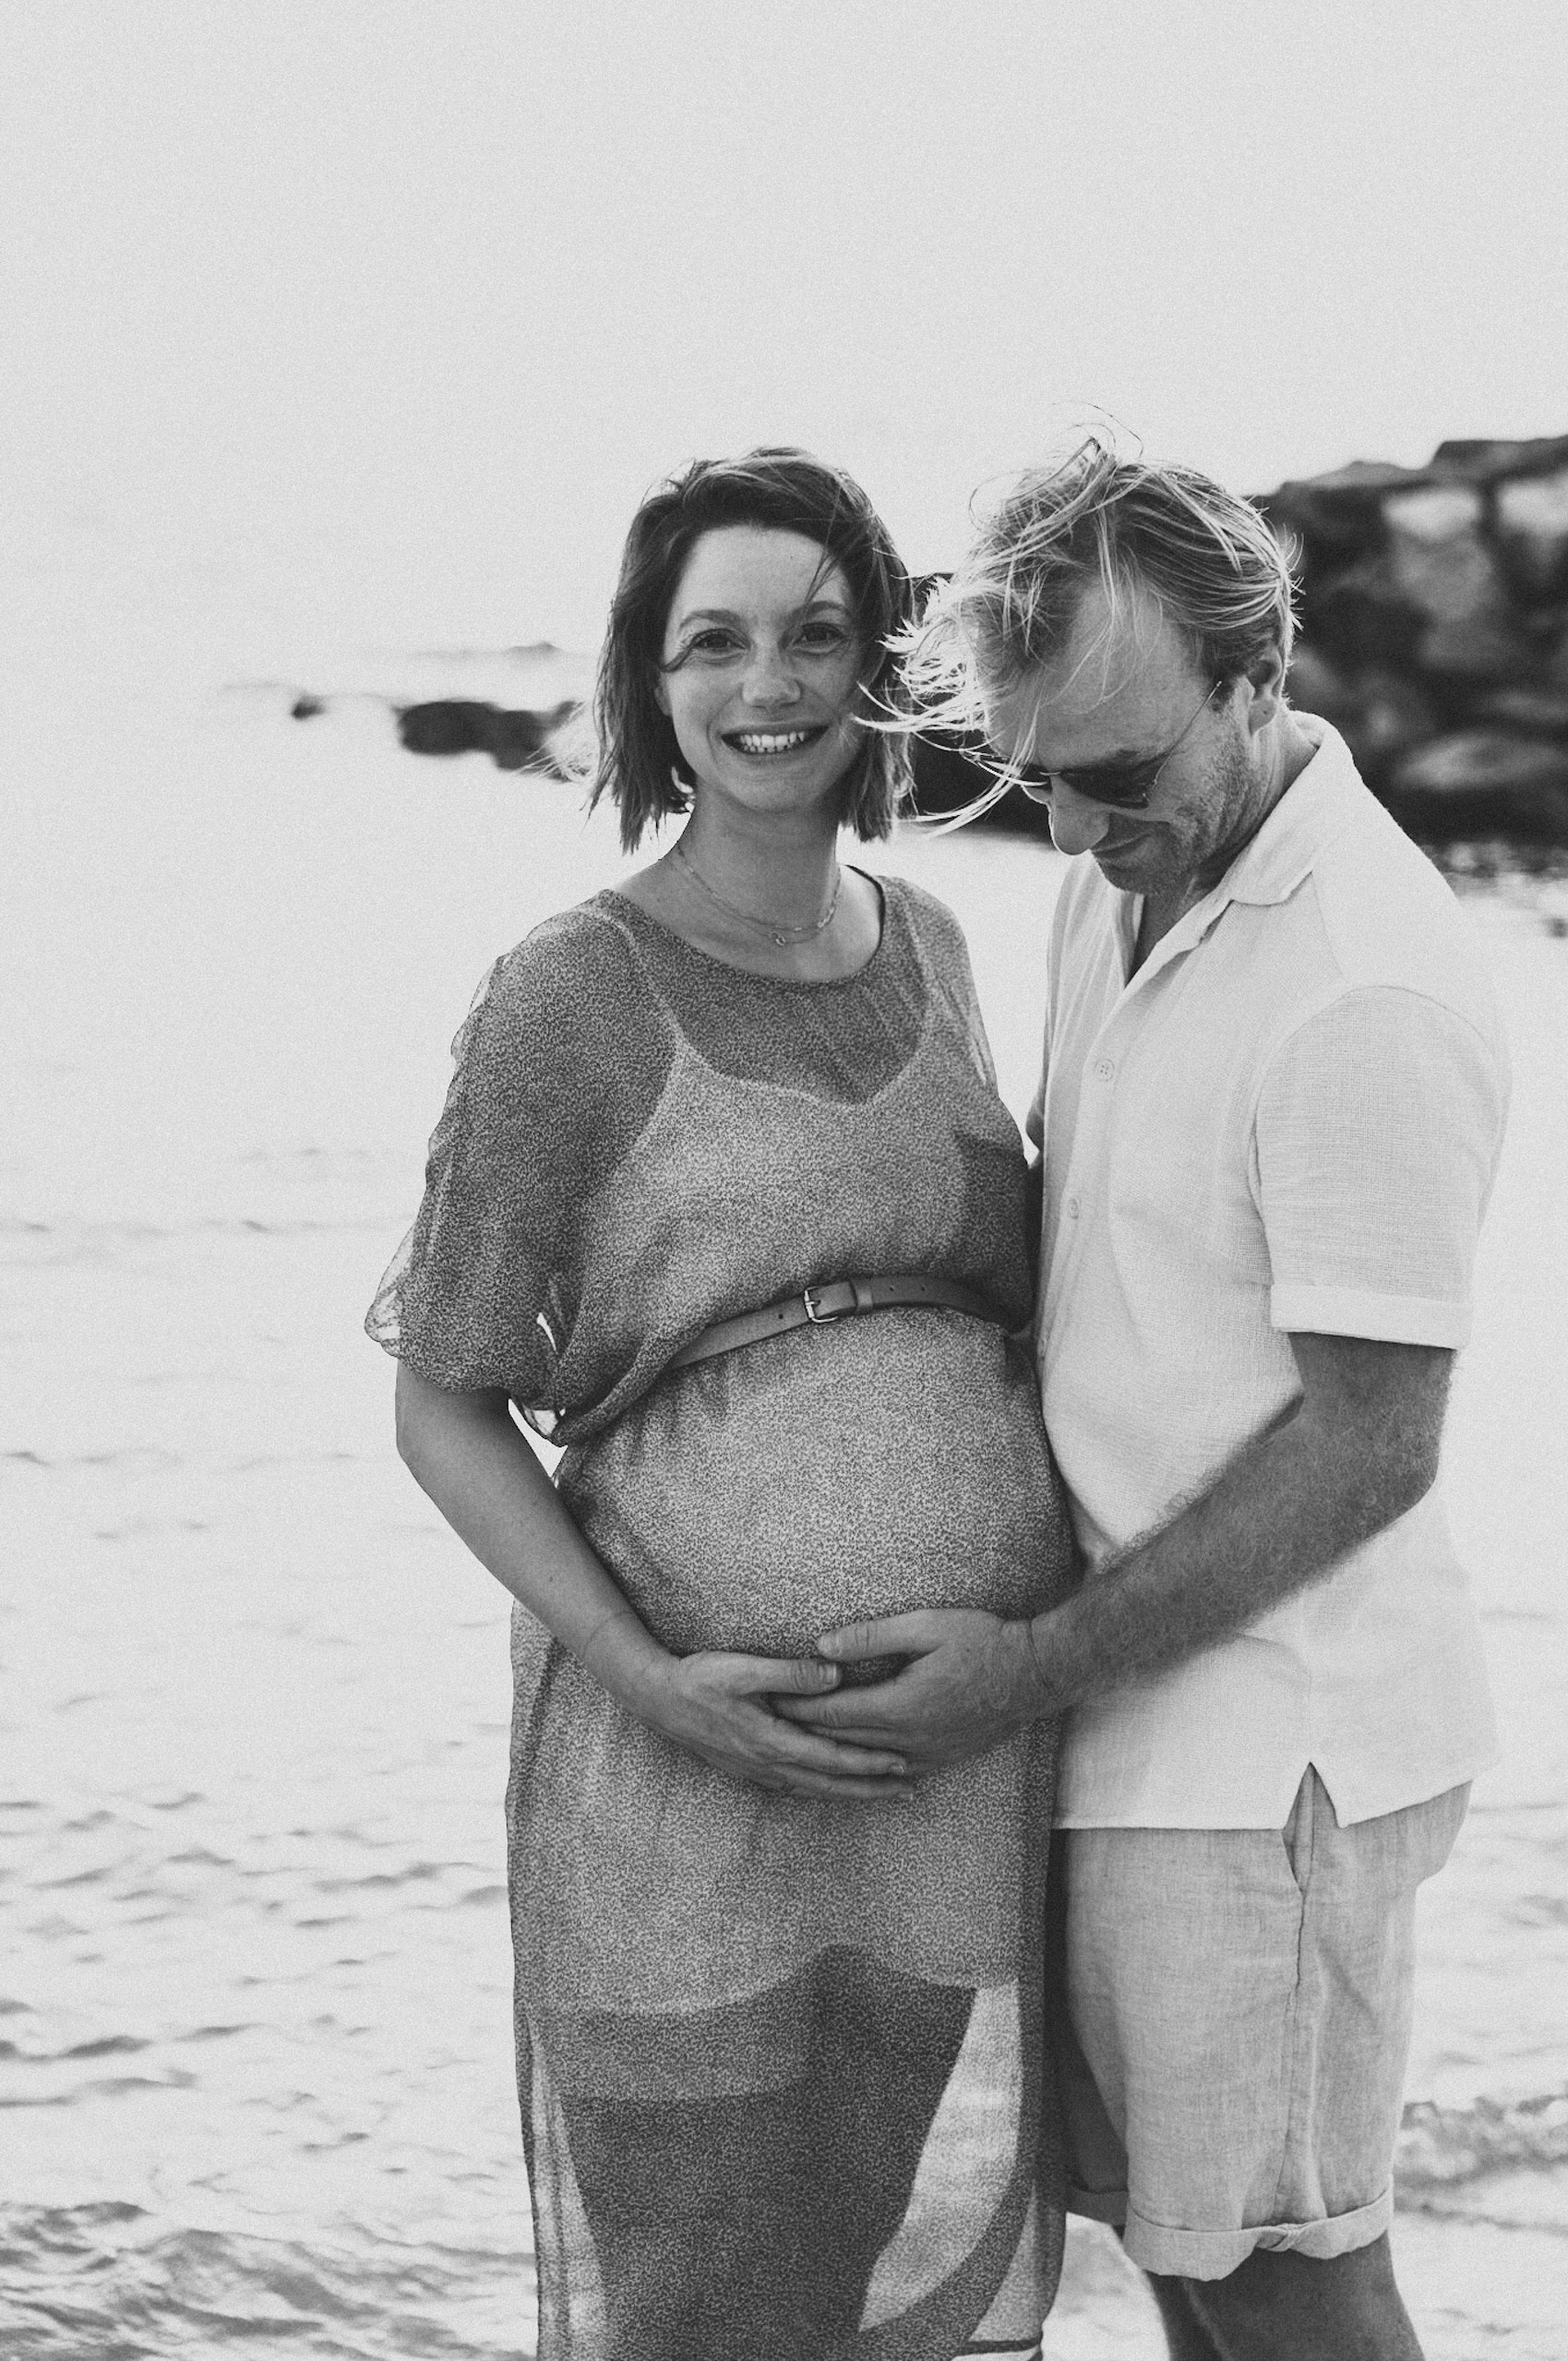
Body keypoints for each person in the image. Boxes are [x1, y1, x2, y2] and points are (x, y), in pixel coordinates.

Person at [787, 446, 1510, 2361]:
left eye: (1124, 774)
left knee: (1287, 2281)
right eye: (1039, 780)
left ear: (1258, 673)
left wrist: (1018, 1670)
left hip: (1271, 1750)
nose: (1089, 827)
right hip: (1130, 1727)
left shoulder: (1361, 985)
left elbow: (1374, 1443)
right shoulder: (1116, 892)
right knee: (1195, 2269)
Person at [367, 449, 1075, 2361]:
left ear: (881, 672)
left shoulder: (932, 946)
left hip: (939, 1779)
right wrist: (650, 1676)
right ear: (650, 685)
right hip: (678, 1774)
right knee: (695, 2313)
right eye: (715, 643)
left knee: (844, 2295)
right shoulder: (567, 997)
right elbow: (445, 1404)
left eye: (815, 636)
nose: (768, 685)